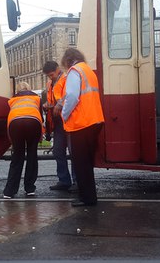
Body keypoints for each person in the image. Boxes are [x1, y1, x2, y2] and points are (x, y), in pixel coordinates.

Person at [60, 48, 105, 207]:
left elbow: (72, 96)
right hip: (95, 121)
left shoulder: (74, 71)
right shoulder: (88, 71)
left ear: (67, 60)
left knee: (81, 163)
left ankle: (87, 198)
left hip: (81, 123)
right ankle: (89, 196)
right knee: (87, 163)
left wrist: (64, 114)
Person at [3, 82, 44, 198]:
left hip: (15, 123)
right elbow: (40, 117)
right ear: (29, 88)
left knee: (17, 156)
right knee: (32, 155)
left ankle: (9, 191)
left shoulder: (12, 100)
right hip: (33, 122)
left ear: (17, 90)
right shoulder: (37, 99)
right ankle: (30, 188)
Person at [42, 61, 76, 192]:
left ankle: (76, 181)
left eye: (52, 75)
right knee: (57, 151)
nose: (51, 78)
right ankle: (64, 180)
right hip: (58, 122)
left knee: (74, 152)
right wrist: (47, 105)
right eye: (49, 76)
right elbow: (52, 99)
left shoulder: (67, 78)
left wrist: (58, 105)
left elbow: (69, 96)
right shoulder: (50, 83)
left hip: (68, 120)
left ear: (57, 70)